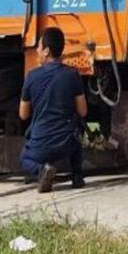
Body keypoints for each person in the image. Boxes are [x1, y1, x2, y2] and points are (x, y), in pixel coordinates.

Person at [19, 27, 88, 193]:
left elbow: (23, 115)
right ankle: (77, 176)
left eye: (39, 47)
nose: (37, 50)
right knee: (77, 126)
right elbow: (83, 111)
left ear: (46, 51)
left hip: (41, 145)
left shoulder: (31, 76)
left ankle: (42, 171)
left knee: (24, 158)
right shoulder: (73, 75)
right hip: (67, 144)